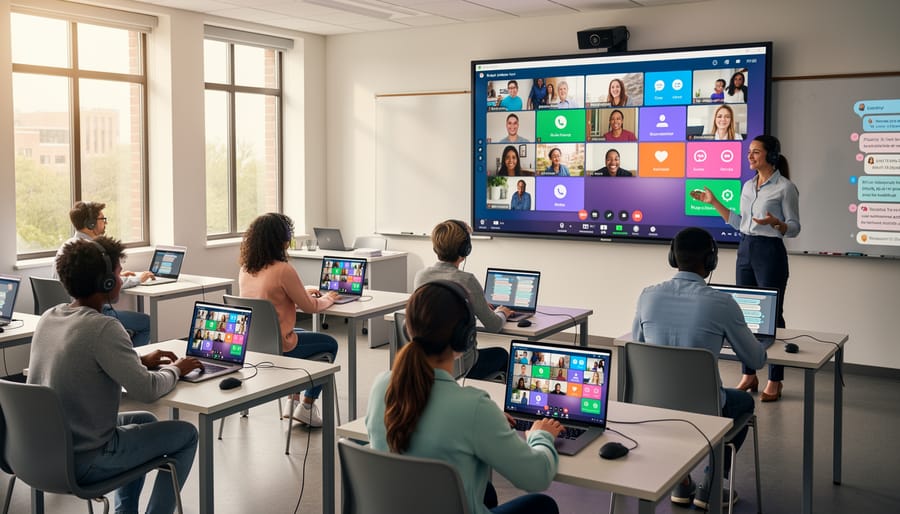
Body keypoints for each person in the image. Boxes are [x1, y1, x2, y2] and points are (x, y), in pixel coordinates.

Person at [29, 236, 203, 514]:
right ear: (106, 283)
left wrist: (137, 361)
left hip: (43, 452)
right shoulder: (104, 328)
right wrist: (176, 369)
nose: (122, 279)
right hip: (86, 459)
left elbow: (86, 363)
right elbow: (146, 391)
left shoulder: (50, 316)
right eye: (119, 273)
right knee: (187, 434)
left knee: (144, 421)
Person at [366, 281, 563, 514]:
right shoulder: (474, 407)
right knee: (543, 505)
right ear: (466, 337)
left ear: (408, 330)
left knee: (486, 492)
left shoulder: (381, 386)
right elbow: (537, 477)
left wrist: (485, 420)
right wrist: (541, 436)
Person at [632, 227, 766, 510]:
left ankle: (681, 482)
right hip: (707, 413)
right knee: (743, 401)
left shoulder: (647, 297)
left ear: (673, 257)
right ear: (711, 261)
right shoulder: (722, 303)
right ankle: (711, 483)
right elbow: (755, 361)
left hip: (653, 409)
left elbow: (638, 345)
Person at [691, 135, 800, 402]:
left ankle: (775, 379)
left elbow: (795, 227)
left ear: (771, 156)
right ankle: (749, 374)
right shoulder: (748, 186)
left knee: (772, 316)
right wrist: (714, 202)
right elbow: (740, 223)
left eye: (755, 152)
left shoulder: (785, 188)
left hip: (770, 252)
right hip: (746, 248)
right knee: (745, 315)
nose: (749, 156)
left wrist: (778, 224)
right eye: (749, 152)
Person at [238, 212, 341, 427]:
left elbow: (269, 302)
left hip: (255, 345)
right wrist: (329, 298)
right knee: (329, 344)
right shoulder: (283, 270)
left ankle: (291, 402)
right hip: (280, 346)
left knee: (302, 335)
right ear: (281, 241)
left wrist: (301, 292)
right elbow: (311, 307)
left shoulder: (246, 270)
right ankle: (307, 406)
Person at [414, 220, 513, 379]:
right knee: (502, 354)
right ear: (465, 249)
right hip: (462, 364)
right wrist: (502, 313)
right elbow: (494, 325)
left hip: (429, 361)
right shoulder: (466, 281)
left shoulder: (421, 276)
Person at [53, 201, 153, 346]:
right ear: (91, 223)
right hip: (90, 312)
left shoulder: (69, 246)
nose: (105, 223)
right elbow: (101, 282)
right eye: (102, 219)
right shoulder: (91, 250)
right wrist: (138, 279)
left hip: (70, 310)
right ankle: (134, 361)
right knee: (147, 323)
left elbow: (91, 278)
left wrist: (119, 275)